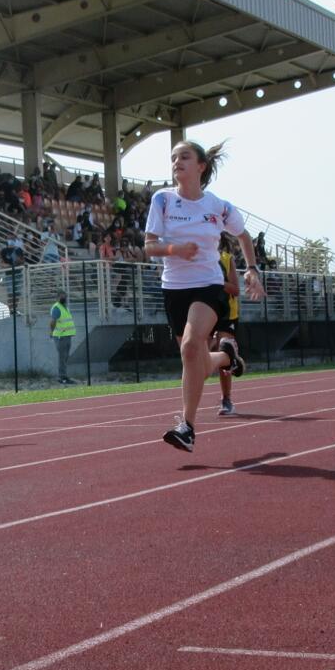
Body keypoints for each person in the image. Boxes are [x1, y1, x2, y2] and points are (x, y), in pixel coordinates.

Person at [144, 139, 264, 451]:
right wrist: (176, 249)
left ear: (201, 166)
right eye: (173, 157)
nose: (176, 162)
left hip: (208, 285)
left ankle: (187, 427)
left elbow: (243, 236)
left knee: (190, 346)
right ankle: (227, 357)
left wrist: (251, 269)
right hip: (173, 288)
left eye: (184, 156)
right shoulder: (162, 200)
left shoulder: (217, 205)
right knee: (193, 359)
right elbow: (149, 246)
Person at [214, 232, 241, 416]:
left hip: (227, 313)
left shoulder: (226, 258)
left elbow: (236, 289)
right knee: (198, 354)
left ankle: (226, 399)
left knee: (223, 350)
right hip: (205, 310)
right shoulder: (197, 258)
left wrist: (217, 282)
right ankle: (233, 359)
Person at [48, 291, 76, 385]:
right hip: (61, 336)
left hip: (67, 336)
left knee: (65, 357)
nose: (64, 298)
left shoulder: (65, 307)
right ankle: (62, 377)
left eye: (65, 296)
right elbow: (53, 321)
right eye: (61, 296)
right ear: (57, 297)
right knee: (62, 357)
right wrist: (51, 332)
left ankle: (63, 376)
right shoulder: (57, 307)